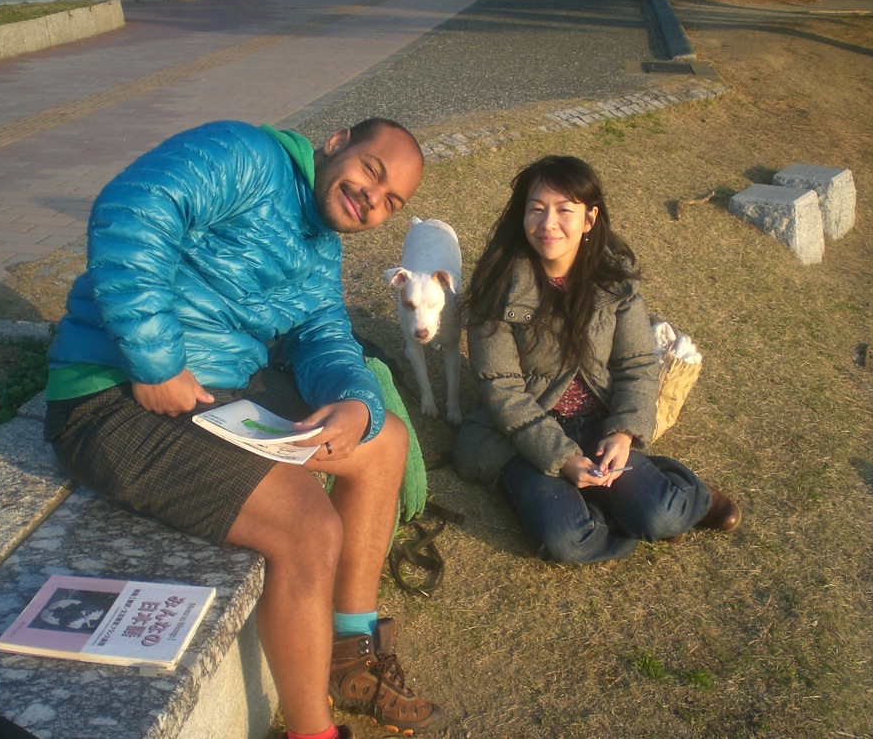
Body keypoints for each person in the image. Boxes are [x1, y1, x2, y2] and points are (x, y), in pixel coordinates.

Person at [43, 118, 443, 739]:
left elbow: (321, 335)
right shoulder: (248, 156)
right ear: (337, 142)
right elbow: (134, 209)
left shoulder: (321, 249)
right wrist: (157, 361)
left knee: (383, 439)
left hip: (218, 390)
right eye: (372, 170)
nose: (372, 198)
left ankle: (351, 652)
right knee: (308, 529)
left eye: (391, 201)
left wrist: (355, 403)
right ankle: (312, 731)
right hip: (113, 392)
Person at [452, 155, 741, 565]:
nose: (548, 223)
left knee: (661, 515)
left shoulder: (614, 281)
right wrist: (562, 458)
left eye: (564, 210)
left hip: (598, 422)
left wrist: (623, 433)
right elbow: (500, 388)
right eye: (536, 209)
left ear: (589, 219)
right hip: (523, 433)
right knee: (565, 539)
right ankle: (628, 512)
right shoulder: (497, 284)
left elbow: (636, 363)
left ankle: (693, 498)